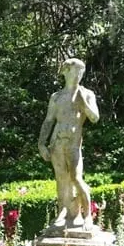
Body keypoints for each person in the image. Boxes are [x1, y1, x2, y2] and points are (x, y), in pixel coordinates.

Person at [38, 58, 100, 230]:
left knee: (76, 178)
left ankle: (87, 215)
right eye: (76, 70)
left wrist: (84, 104)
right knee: (61, 180)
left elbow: (94, 118)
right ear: (65, 71)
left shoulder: (86, 94)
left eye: (81, 71)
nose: (79, 74)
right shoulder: (56, 97)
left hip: (74, 144)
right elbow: (49, 121)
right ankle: (62, 212)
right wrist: (41, 144)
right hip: (57, 143)